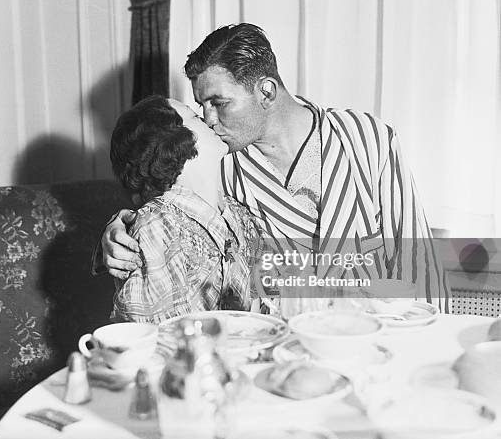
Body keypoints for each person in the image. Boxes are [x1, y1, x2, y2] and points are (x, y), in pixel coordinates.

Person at [101, 24, 450, 312]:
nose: (208, 119)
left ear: (266, 92)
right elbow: (170, 218)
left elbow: (419, 264)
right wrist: (119, 227)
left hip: (382, 341)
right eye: (200, 106)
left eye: (218, 103)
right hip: (285, 354)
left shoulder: (368, 138)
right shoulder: (222, 169)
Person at [109, 95, 261, 323]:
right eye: (195, 117)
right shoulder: (157, 226)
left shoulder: (240, 215)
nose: (209, 121)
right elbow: (158, 339)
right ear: (169, 140)